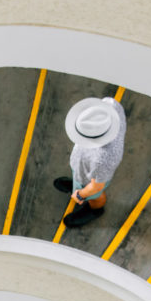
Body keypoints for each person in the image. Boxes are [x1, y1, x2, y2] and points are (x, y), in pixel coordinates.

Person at [54, 96, 126, 228]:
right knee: (81, 180)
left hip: (89, 176)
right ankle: (77, 184)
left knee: (95, 195)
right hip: (83, 165)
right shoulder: (110, 106)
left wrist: (80, 195)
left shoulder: (103, 159)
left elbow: (96, 187)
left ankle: (95, 210)